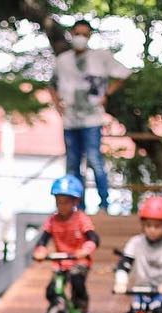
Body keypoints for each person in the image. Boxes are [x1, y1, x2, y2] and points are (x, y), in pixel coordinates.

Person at [50, 18, 130, 213]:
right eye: (78, 34)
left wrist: (107, 93)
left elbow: (124, 74)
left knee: (95, 162)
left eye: (85, 35)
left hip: (92, 120)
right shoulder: (63, 60)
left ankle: (104, 204)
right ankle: (78, 206)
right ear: (72, 34)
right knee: (73, 165)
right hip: (70, 121)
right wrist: (57, 105)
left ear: (90, 36)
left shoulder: (101, 57)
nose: (81, 38)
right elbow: (51, 84)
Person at [33, 174, 101, 313]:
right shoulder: (52, 220)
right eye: (58, 201)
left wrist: (85, 250)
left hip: (79, 261)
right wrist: (40, 250)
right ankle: (57, 310)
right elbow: (43, 238)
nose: (61, 206)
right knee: (51, 291)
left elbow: (94, 238)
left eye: (65, 202)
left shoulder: (81, 219)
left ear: (75, 202)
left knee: (78, 283)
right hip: (60, 262)